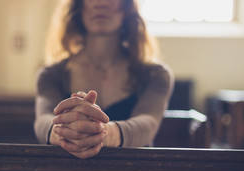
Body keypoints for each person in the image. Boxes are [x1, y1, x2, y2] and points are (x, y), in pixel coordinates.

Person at [34, 0, 174, 159]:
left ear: (127, 7)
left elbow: (148, 123)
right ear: (78, 6)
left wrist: (104, 134)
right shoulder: (51, 74)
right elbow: (43, 121)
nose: (100, 3)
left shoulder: (155, 74)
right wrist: (64, 134)